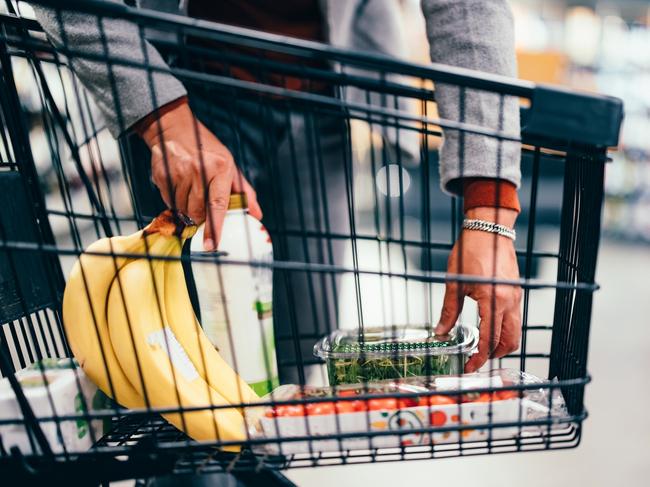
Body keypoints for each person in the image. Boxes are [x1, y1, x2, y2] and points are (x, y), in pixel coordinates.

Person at [33, 0, 522, 379]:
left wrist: (490, 208)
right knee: (190, 376)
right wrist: (165, 124)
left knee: (299, 379)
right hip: (182, 87)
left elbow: (467, 9)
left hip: (323, 90)